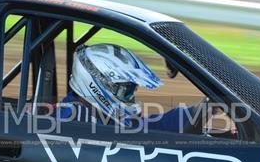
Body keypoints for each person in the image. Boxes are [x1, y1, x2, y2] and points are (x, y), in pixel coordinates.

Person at [56, 43, 211, 132]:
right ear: (96, 83)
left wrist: (207, 107)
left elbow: (154, 126)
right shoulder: (71, 122)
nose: (131, 98)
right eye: (127, 91)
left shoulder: (102, 117)